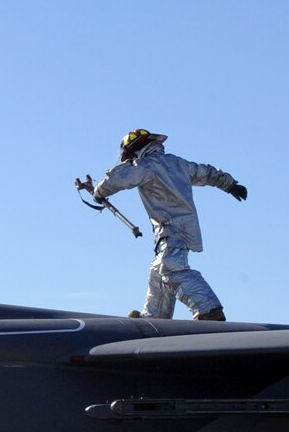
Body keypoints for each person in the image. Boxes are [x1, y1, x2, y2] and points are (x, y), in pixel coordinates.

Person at [92, 129, 247, 321]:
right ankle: (154, 316)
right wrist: (230, 185)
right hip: (184, 225)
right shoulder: (178, 163)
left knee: (170, 267)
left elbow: (120, 178)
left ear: (135, 151)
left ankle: (209, 309)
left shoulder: (144, 166)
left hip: (170, 226)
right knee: (157, 270)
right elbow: (206, 173)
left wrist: (99, 192)